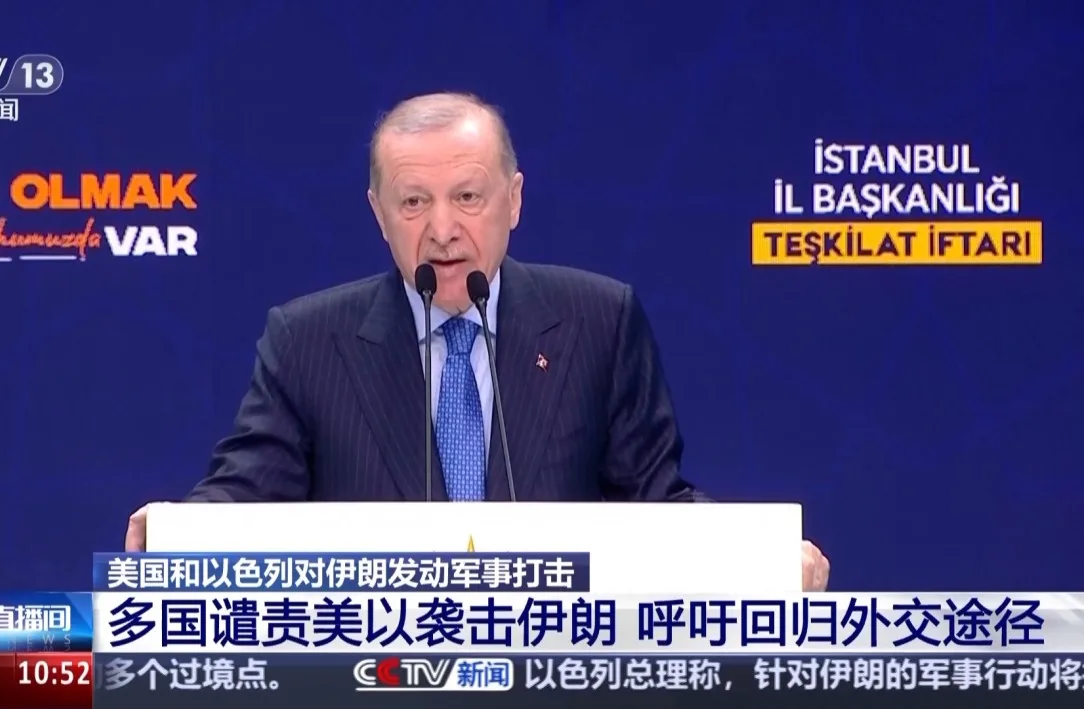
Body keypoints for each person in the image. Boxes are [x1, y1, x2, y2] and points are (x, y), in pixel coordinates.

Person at [126, 92, 830, 591]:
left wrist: (757, 555)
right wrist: (177, 531)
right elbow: (247, 491)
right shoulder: (309, 340)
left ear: (513, 199)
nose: (442, 230)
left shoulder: (598, 320)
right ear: (378, 214)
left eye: (468, 197)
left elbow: (653, 499)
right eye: (413, 202)